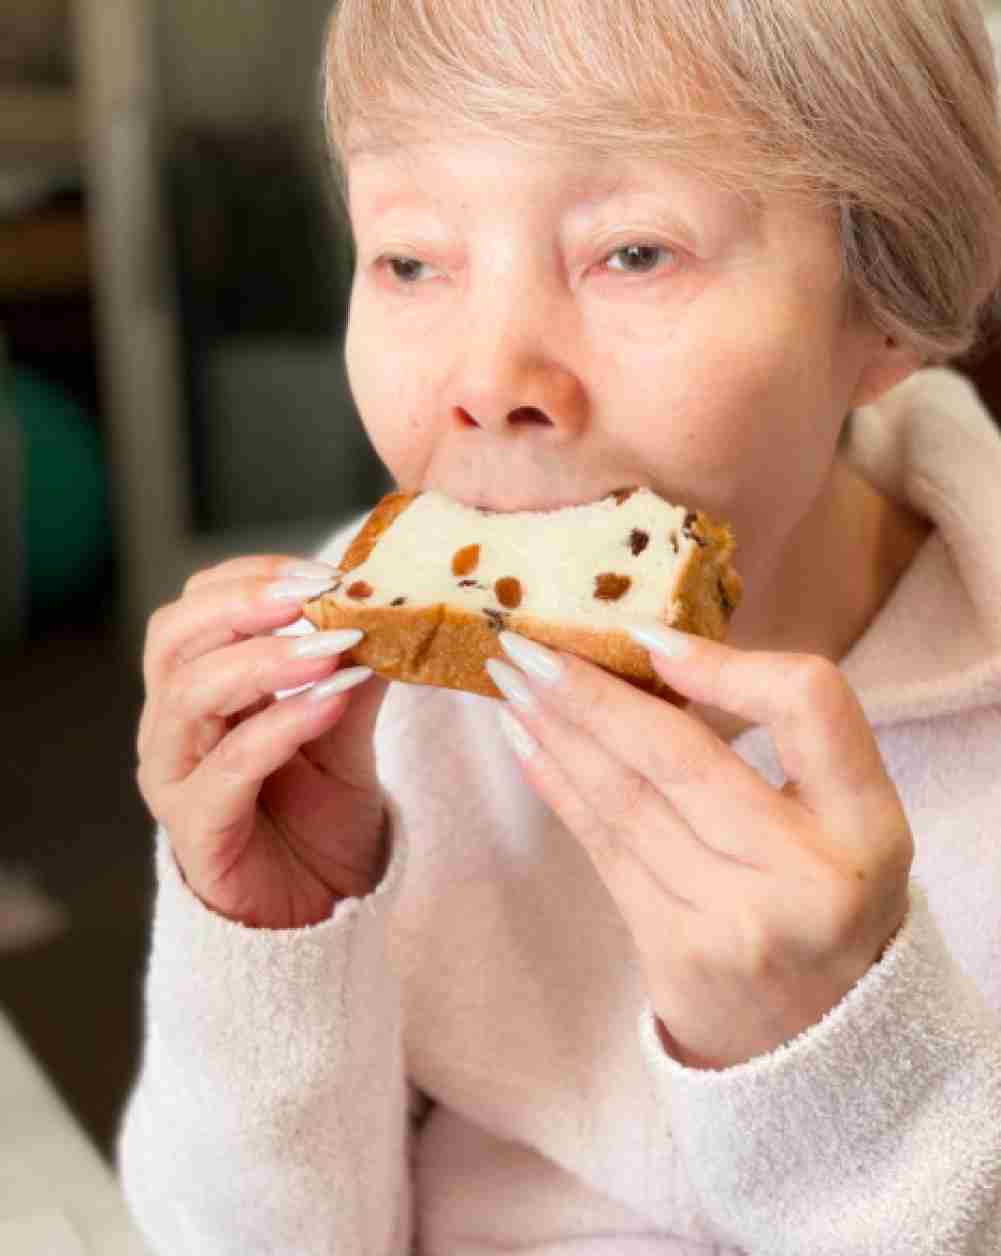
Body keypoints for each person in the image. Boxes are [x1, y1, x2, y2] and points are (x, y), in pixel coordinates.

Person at [119, 2, 1001, 1251]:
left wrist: (837, 1068)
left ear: (886, 302)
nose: (488, 380)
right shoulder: (367, 707)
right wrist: (268, 944)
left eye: (632, 252)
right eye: (410, 261)